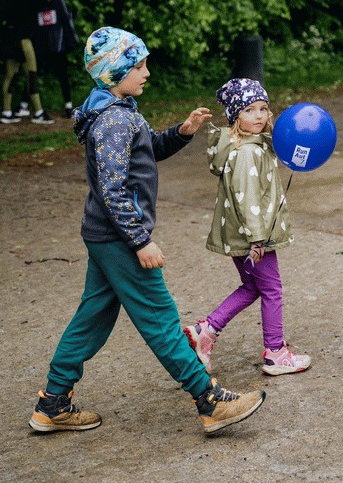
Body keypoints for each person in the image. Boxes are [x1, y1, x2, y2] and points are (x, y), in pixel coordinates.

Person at [29, 27, 266, 436]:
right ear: (113, 71)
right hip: (119, 238)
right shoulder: (113, 120)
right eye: (138, 66)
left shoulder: (119, 109)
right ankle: (209, 400)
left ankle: (52, 403)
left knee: (92, 318)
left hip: (105, 235)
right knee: (160, 317)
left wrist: (182, 132)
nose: (147, 73)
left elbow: (147, 149)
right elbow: (112, 189)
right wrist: (140, 241)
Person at [183, 78, 311, 376]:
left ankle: (206, 331)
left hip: (241, 234)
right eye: (249, 110)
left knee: (254, 287)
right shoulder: (247, 153)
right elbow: (247, 198)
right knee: (272, 289)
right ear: (235, 116)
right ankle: (275, 352)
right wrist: (257, 239)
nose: (259, 115)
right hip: (253, 237)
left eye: (263, 108)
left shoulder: (249, 145)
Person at [1, 0, 54, 124]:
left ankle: (7, 112)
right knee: (30, 74)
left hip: (11, 40)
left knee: (11, 75)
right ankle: (38, 112)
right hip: (22, 41)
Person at [33, 0, 79, 118]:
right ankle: (23, 105)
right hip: (41, 46)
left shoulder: (58, 1)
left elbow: (67, 20)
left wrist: (72, 39)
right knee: (33, 72)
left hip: (57, 45)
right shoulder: (37, 3)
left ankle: (68, 105)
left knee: (62, 74)